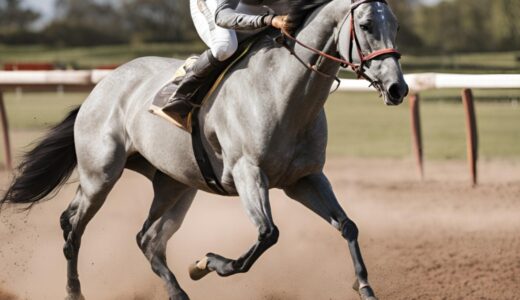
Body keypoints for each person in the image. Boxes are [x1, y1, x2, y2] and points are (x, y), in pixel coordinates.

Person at [162, 0, 287, 129]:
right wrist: (268, 20)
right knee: (225, 47)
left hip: (253, 7)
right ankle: (182, 92)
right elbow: (222, 16)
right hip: (216, 6)